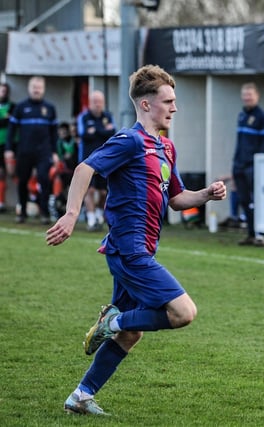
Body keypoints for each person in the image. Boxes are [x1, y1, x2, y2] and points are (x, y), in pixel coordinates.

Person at [45, 65, 227, 416]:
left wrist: (206, 194)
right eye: (168, 101)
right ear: (145, 105)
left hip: (141, 248)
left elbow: (176, 198)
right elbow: (85, 168)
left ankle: (80, 397)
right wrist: (70, 215)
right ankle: (110, 321)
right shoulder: (130, 141)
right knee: (183, 312)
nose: (174, 108)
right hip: (129, 249)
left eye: (175, 101)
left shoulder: (166, 147)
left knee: (132, 333)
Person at [5, 76, 58, 224]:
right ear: (29, 89)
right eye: (34, 87)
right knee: (22, 181)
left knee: (44, 179)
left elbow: (54, 133)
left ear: (43, 89)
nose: (36, 90)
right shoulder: (20, 107)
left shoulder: (49, 108)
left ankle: (44, 213)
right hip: (25, 150)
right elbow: (11, 130)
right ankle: (22, 212)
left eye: (39, 87)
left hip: (44, 152)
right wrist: (9, 149)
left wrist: (54, 152)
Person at [233, 82, 264, 246]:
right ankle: (250, 233)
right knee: (244, 200)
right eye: (245, 95)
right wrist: (235, 163)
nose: (247, 98)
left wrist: (255, 163)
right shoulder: (242, 116)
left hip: (252, 166)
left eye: (250, 95)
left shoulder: (262, 117)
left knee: (256, 201)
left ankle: (261, 234)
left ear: (257, 96)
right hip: (239, 165)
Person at [77, 90, 116, 231]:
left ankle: (99, 216)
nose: (97, 105)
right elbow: (84, 134)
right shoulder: (84, 117)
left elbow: (112, 133)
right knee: (90, 190)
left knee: (104, 192)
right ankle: (91, 220)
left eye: (100, 102)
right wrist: (102, 130)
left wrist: (96, 130)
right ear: (90, 103)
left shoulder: (108, 116)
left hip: (105, 161)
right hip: (88, 160)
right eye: (95, 102)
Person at [48, 122, 78, 219]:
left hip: (73, 172)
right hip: (62, 173)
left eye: (64, 131)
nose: (62, 133)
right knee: (57, 192)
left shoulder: (75, 142)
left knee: (72, 194)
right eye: (60, 132)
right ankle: (55, 212)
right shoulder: (59, 143)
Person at [0, 83, 15, 213]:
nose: (2, 93)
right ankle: (1, 202)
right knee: (1, 174)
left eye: (4, 91)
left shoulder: (12, 106)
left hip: (10, 145)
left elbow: (11, 122)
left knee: (13, 172)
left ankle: (26, 201)